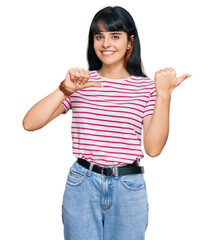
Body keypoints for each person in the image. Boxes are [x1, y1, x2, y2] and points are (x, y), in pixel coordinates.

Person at [22, 6, 191, 240]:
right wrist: (64, 89)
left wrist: (164, 95)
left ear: (130, 41)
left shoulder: (146, 88)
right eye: (99, 36)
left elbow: (153, 148)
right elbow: (29, 123)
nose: (105, 43)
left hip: (128, 186)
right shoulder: (80, 83)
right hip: (83, 183)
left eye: (115, 36)